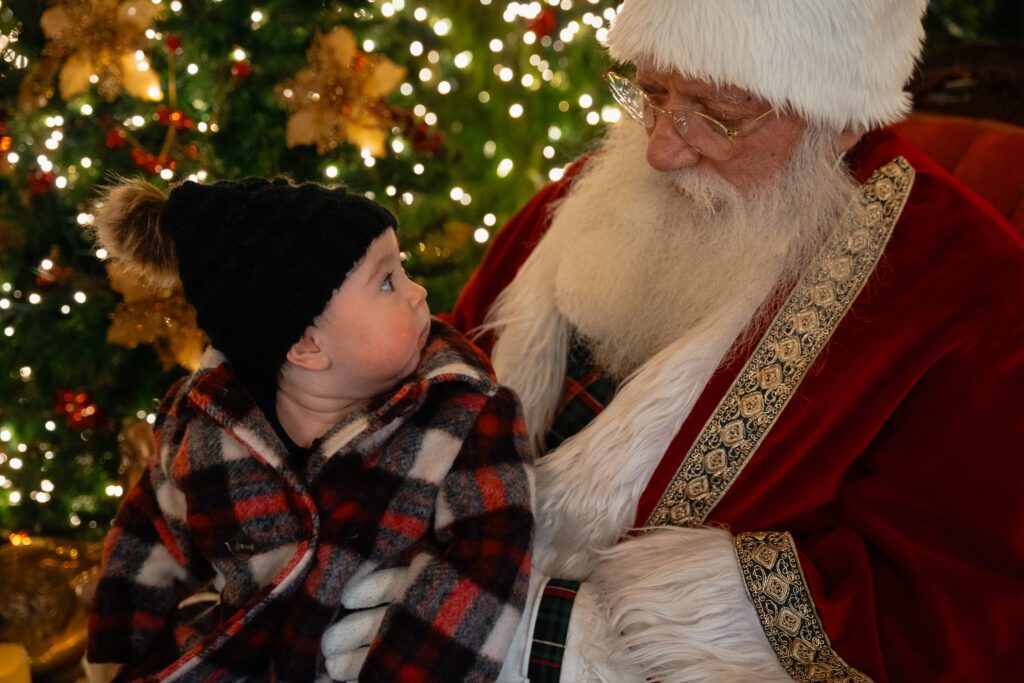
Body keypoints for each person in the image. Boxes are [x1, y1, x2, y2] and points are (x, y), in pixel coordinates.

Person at [323, 1, 1024, 681]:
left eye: (719, 111)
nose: (660, 148)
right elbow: (428, 384)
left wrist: (567, 642)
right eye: (651, 92)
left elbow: (952, 609)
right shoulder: (585, 199)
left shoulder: (972, 292)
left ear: (838, 117)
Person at [85, 177, 534, 681]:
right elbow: (150, 531)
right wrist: (116, 652)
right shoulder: (206, 423)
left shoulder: (465, 413)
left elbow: (488, 562)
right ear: (305, 347)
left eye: (402, 269)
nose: (418, 292)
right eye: (387, 281)